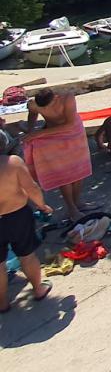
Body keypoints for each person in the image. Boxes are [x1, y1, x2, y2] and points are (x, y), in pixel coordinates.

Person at [25, 89, 92, 221]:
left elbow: (70, 124)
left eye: (47, 106)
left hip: (73, 133)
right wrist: (31, 130)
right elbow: (32, 114)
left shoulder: (67, 97)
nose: (44, 109)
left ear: (55, 98)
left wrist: (39, 133)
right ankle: (71, 208)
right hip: (52, 136)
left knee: (78, 169)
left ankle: (77, 202)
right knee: (63, 172)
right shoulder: (33, 104)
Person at [0, 155, 54, 312]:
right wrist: (42, 206)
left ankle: (2, 302)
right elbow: (32, 188)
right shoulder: (12, 162)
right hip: (17, 216)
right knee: (27, 256)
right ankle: (38, 289)